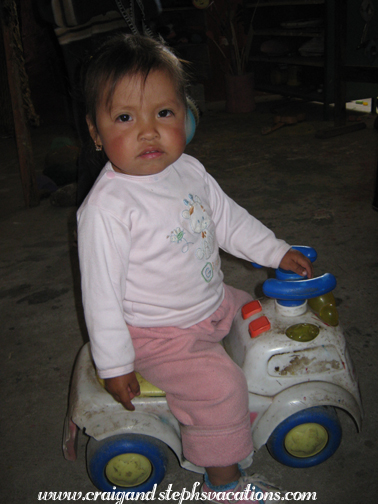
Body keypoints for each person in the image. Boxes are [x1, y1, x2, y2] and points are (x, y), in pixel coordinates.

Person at [77, 34, 313, 503]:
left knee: (263, 324)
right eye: (125, 117)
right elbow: (100, 294)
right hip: (159, 332)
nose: (148, 131)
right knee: (221, 387)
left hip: (211, 300)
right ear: (95, 133)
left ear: (186, 114)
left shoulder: (190, 171)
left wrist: (274, 250)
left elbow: (229, 221)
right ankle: (224, 482)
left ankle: (242, 414)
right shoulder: (107, 208)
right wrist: (116, 363)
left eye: (163, 113)